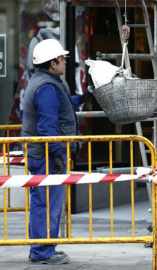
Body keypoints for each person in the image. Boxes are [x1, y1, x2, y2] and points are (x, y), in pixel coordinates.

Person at [22, 39, 92, 265]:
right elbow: (47, 129)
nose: (64, 62)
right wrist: (57, 156)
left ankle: (44, 248)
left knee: (45, 201)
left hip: (45, 154)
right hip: (47, 155)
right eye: (62, 59)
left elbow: (63, 105)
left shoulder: (48, 82)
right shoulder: (47, 87)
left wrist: (82, 98)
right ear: (53, 63)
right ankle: (43, 251)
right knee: (46, 202)